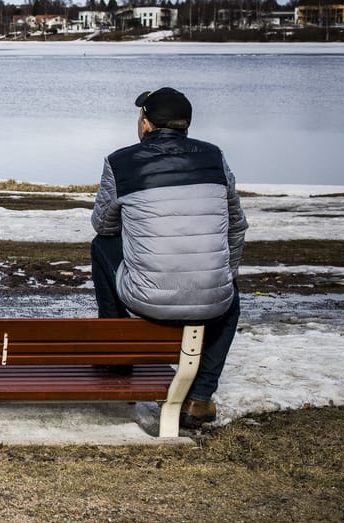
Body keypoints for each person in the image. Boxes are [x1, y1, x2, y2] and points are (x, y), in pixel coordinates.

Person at [90, 87, 248, 429]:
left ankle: (118, 358)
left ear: (146, 124)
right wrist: (226, 274)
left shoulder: (121, 162)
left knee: (101, 245)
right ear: (185, 124)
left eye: (139, 117)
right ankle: (199, 398)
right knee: (230, 297)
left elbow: (103, 225)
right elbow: (236, 225)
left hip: (146, 299)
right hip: (212, 302)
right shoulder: (215, 157)